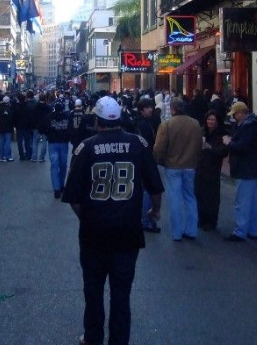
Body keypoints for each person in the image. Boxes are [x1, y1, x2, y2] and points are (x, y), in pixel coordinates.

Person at [62, 96, 164, 345]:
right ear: (120, 119)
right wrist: (153, 212)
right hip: (127, 233)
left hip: (93, 234)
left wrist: (86, 217)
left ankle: (93, 337)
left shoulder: (85, 148)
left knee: (93, 291)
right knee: (121, 295)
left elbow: (74, 196)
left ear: (97, 121)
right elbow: (155, 189)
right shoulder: (138, 144)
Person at [153, 98, 203, 242]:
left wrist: (160, 160)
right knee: (190, 197)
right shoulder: (195, 124)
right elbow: (199, 145)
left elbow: (159, 148)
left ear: (173, 109)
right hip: (190, 165)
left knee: (174, 198)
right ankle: (191, 230)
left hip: (173, 165)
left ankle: (177, 233)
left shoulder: (167, 125)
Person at [222, 102, 257, 242]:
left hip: (245, 168)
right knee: (252, 202)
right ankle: (253, 230)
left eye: (235, 114)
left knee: (242, 202)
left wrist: (229, 142)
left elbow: (241, 147)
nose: (234, 117)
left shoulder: (247, 127)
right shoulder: (252, 125)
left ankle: (240, 231)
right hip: (252, 167)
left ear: (241, 113)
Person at [195, 110, 229, 231]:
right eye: (208, 119)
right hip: (200, 166)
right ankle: (201, 218)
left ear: (217, 121)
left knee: (212, 196)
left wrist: (210, 148)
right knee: (199, 194)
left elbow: (224, 151)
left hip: (213, 168)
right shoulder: (201, 131)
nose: (210, 121)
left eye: (213, 119)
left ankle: (211, 221)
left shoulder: (222, 134)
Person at [136, 99, 160, 234]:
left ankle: (145, 219)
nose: (150, 109)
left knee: (145, 190)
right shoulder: (142, 124)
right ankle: (146, 220)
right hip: (145, 160)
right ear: (141, 109)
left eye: (151, 107)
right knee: (148, 191)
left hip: (144, 159)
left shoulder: (145, 122)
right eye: (147, 108)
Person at [41, 101, 71, 199]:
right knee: (63, 165)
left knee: (54, 166)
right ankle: (61, 185)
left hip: (53, 143)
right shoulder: (67, 117)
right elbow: (71, 129)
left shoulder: (49, 117)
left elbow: (43, 128)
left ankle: (56, 189)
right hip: (64, 143)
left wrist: (49, 134)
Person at [31, 93, 51, 162]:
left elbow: (33, 117)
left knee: (35, 142)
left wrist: (33, 126)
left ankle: (34, 157)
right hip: (45, 127)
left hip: (37, 126)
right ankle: (42, 157)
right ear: (45, 99)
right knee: (44, 142)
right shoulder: (48, 107)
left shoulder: (36, 106)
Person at [0, 96, 15, 162]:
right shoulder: (10, 108)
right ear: (8, 102)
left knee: (1, 142)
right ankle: (8, 156)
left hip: (0, 127)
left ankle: (1, 157)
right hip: (8, 128)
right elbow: (12, 118)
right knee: (7, 142)